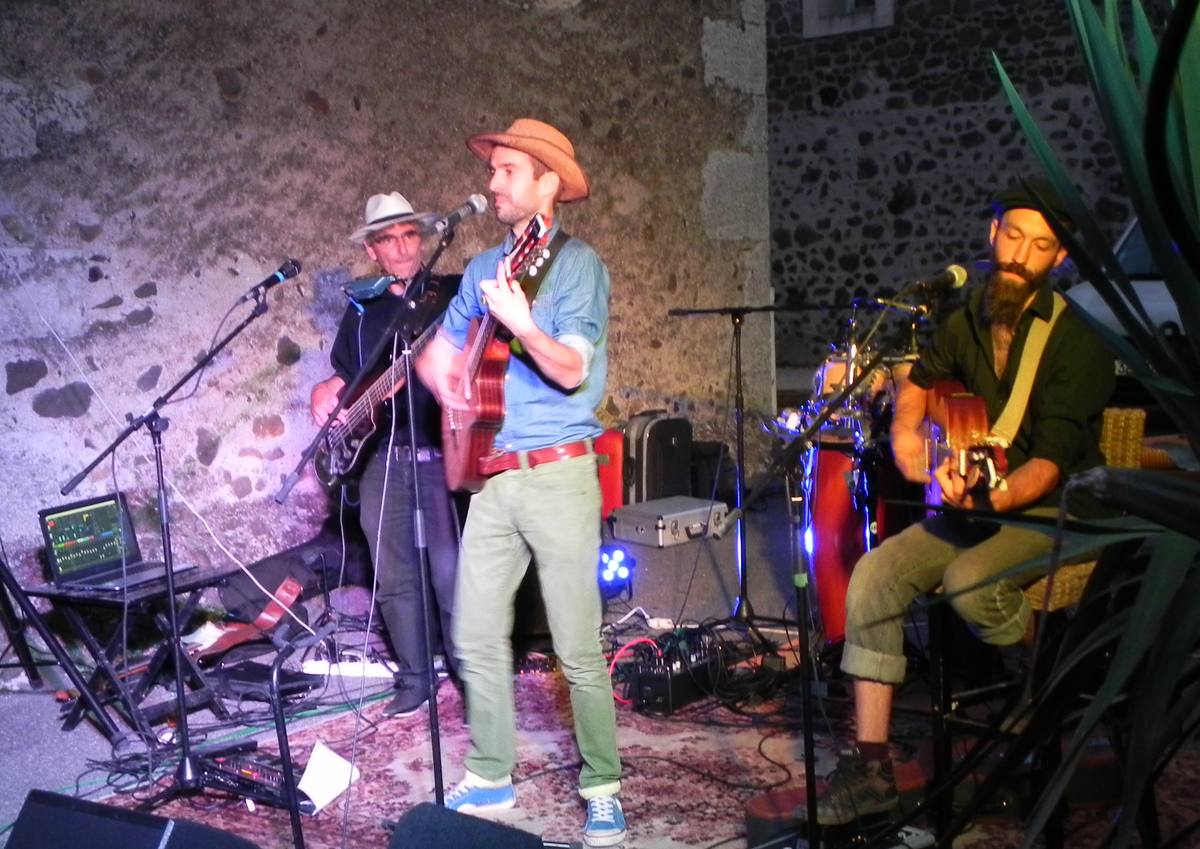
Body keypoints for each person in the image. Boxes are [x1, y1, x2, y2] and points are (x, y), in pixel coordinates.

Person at [817, 179, 1115, 825]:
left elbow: (1050, 462)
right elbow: (919, 382)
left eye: (1040, 247)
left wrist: (995, 495)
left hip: (1055, 510)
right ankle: (872, 770)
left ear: (1059, 257)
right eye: (1014, 236)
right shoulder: (962, 322)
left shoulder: (1078, 340)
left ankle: (1055, 666)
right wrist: (907, 438)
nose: (1021, 257)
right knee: (873, 575)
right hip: (978, 507)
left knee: (971, 581)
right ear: (993, 232)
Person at [416, 119, 626, 848]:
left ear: (548, 184)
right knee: (473, 632)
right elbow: (436, 357)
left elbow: (571, 368)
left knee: (577, 648)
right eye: (494, 170)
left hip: (559, 473)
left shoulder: (576, 266)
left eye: (508, 171)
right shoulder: (482, 268)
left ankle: (602, 787)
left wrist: (522, 323)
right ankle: (491, 772)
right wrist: (454, 395)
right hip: (493, 479)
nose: (493, 182)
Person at [310, 192, 460, 718]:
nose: (402, 247)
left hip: (442, 452)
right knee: (394, 577)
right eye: (388, 240)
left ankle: (469, 676)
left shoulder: (451, 294)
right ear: (371, 251)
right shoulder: (362, 311)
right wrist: (324, 391)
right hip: (380, 458)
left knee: (451, 575)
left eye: (410, 235)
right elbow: (346, 375)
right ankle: (416, 679)